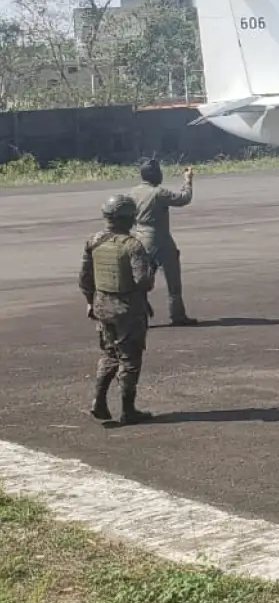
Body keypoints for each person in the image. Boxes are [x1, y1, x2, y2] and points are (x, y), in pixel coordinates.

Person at [79, 194, 156, 425]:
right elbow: (143, 282)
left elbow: (84, 279)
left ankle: (99, 401)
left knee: (109, 354)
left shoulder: (93, 241)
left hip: (102, 306)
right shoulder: (133, 245)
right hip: (127, 310)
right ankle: (128, 410)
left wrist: (90, 302)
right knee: (130, 358)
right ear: (129, 218)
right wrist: (151, 268)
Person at [130, 158, 197, 326]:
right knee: (172, 278)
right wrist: (188, 181)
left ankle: (139, 316)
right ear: (154, 175)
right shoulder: (158, 193)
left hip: (139, 237)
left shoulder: (133, 192)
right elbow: (183, 199)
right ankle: (177, 315)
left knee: (141, 280)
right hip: (159, 238)